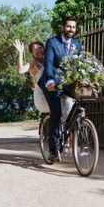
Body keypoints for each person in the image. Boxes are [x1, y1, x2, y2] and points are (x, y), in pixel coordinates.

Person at [39, 16, 82, 162]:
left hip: (67, 81)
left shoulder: (77, 44)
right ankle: (52, 150)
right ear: (63, 27)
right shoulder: (52, 42)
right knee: (56, 113)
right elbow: (49, 62)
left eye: (74, 27)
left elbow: (79, 65)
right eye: (69, 27)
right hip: (51, 81)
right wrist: (50, 79)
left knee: (80, 105)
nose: (71, 30)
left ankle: (71, 135)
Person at [13, 39, 50, 116]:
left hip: (52, 92)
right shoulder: (33, 63)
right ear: (32, 53)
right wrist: (20, 53)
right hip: (42, 96)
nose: (38, 50)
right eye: (35, 49)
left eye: (40, 48)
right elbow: (20, 70)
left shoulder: (49, 61)